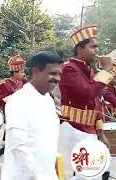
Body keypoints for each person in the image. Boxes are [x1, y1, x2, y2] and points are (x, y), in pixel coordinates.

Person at [59, 25, 116, 179]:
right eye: (93, 47)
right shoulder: (69, 69)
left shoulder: (88, 70)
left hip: (87, 130)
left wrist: (100, 132)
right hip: (74, 128)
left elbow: (95, 103)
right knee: (87, 175)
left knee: (90, 175)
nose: (96, 51)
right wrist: (106, 70)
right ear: (80, 48)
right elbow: (88, 93)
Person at [1, 51, 63, 180]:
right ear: (36, 72)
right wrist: (39, 176)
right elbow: (18, 146)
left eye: (59, 74)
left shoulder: (48, 99)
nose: (57, 78)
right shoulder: (19, 100)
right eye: (52, 73)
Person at [0, 53, 27, 166]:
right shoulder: (5, 84)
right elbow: (1, 101)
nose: (23, 74)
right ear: (15, 72)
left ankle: (5, 152)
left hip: (22, 112)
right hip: (11, 113)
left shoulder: (23, 82)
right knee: (16, 137)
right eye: (21, 72)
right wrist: (8, 99)